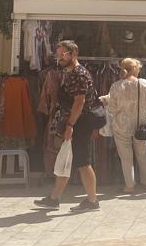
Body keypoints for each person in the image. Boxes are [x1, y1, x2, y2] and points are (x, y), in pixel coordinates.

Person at [34, 40, 103, 212]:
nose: (59, 58)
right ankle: (54, 198)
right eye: (58, 55)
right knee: (67, 159)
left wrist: (70, 125)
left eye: (62, 55)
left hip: (81, 122)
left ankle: (92, 201)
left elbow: (80, 102)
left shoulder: (79, 73)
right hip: (77, 121)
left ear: (73, 54)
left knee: (82, 160)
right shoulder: (71, 72)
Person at [99, 58, 146, 194]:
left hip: (121, 126)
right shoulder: (143, 84)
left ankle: (130, 186)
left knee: (126, 158)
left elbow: (112, 109)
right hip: (141, 125)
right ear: (135, 69)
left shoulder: (116, 86)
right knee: (143, 156)